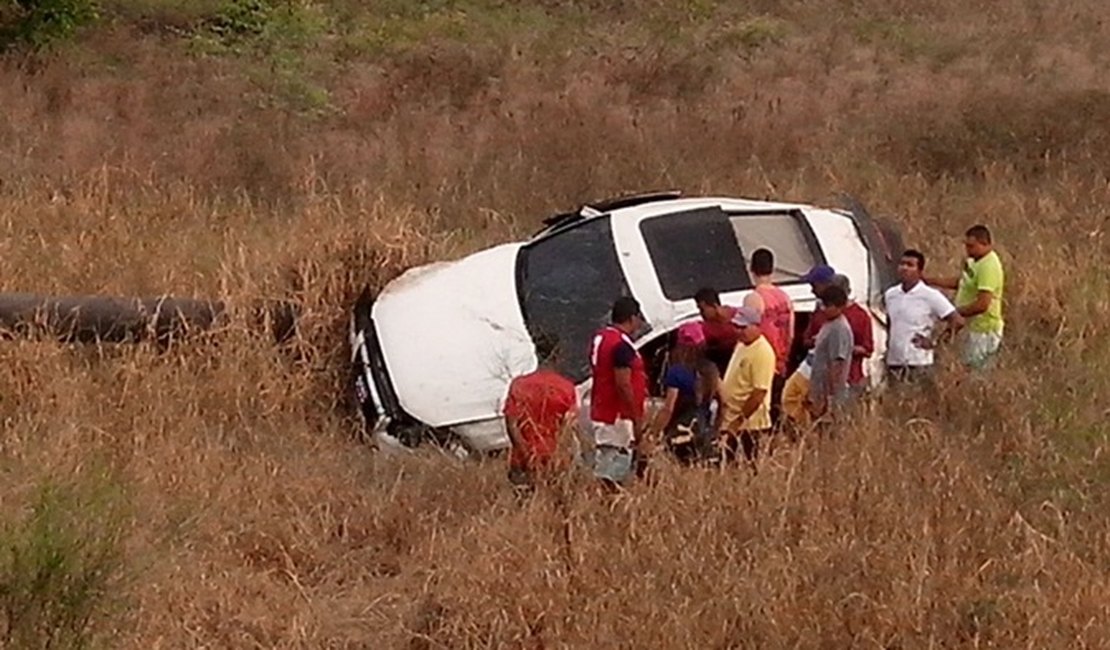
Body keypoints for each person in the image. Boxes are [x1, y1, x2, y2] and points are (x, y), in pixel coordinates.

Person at [502, 333, 579, 496]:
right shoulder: (566, 387)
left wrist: (526, 455)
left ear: (535, 353)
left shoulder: (519, 385)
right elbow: (569, 428)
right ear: (557, 355)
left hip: (521, 461)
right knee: (556, 509)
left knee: (523, 509)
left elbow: (511, 424)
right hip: (555, 459)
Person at [925, 225, 1005, 370]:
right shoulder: (973, 260)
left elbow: (982, 305)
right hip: (969, 326)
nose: (968, 250)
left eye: (972, 246)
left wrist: (953, 314)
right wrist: (931, 281)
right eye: (966, 246)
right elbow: (962, 282)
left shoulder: (989, 267)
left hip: (983, 330)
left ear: (985, 244)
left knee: (977, 371)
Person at [588, 296, 649, 488]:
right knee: (615, 471)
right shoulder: (621, 346)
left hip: (603, 411)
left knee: (609, 464)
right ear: (632, 318)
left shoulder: (601, 338)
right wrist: (635, 417)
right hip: (618, 417)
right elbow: (623, 385)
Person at [884, 249, 964, 384]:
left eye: (910, 265)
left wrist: (935, 342)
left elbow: (957, 320)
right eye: (902, 264)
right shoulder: (891, 294)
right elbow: (890, 321)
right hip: (894, 360)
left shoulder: (930, 295)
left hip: (918, 361)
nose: (904, 268)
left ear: (920, 272)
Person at [647, 322, 719, 464]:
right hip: (704, 431)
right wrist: (716, 427)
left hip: (681, 432)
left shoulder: (677, 373)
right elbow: (725, 401)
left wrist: (653, 433)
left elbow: (668, 409)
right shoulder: (710, 370)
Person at [715, 306, 777, 464]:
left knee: (746, 465)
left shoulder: (763, 352)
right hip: (731, 420)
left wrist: (738, 422)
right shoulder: (742, 344)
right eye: (736, 326)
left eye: (743, 327)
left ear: (756, 326)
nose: (739, 331)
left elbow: (759, 393)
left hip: (750, 425)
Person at [741, 248, 795, 425]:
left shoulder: (753, 298)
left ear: (751, 269)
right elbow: (791, 333)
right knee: (776, 410)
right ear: (772, 269)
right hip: (782, 361)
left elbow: (747, 333)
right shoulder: (785, 298)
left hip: (762, 363)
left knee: (760, 415)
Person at [803, 272, 874, 395]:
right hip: (820, 379)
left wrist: (844, 347)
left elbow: (868, 350)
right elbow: (806, 340)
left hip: (851, 378)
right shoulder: (822, 313)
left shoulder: (860, 316)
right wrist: (818, 342)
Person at [808, 285, 854, 422]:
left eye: (828, 306)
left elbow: (837, 364)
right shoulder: (829, 324)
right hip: (818, 389)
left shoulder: (839, 328)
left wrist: (830, 397)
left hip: (829, 394)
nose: (824, 309)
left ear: (839, 306)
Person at [695, 287, 739, 376]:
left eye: (703, 309)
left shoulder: (735, 315)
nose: (701, 313)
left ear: (714, 306)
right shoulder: (705, 327)